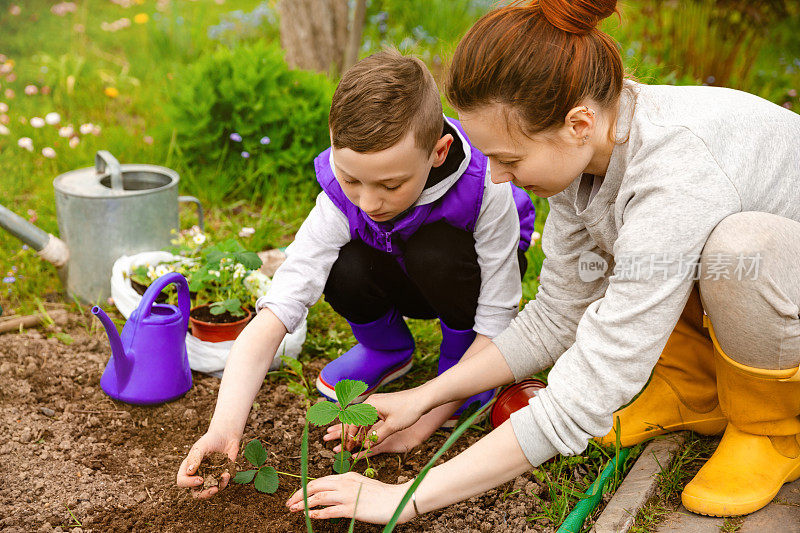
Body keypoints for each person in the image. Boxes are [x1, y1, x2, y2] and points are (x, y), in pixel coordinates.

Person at [286, 0, 800, 523]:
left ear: (579, 123)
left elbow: (597, 378)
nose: (501, 180)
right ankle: (694, 388)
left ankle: (770, 430)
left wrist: (407, 495)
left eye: (510, 160)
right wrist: (426, 395)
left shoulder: (674, 173)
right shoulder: (585, 156)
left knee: (740, 249)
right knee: (660, 259)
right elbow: (558, 316)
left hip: (778, 278)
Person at [176, 49, 536, 498]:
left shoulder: (486, 186)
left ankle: (459, 370)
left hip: (462, 277)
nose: (368, 202)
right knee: (339, 263)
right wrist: (224, 428)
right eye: (351, 180)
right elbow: (275, 314)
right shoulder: (340, 201)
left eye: (390, 185)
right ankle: (386, 348)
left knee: (434, 251)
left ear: (438, 152)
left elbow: (498, 313)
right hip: (398, 267)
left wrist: (426, 418)